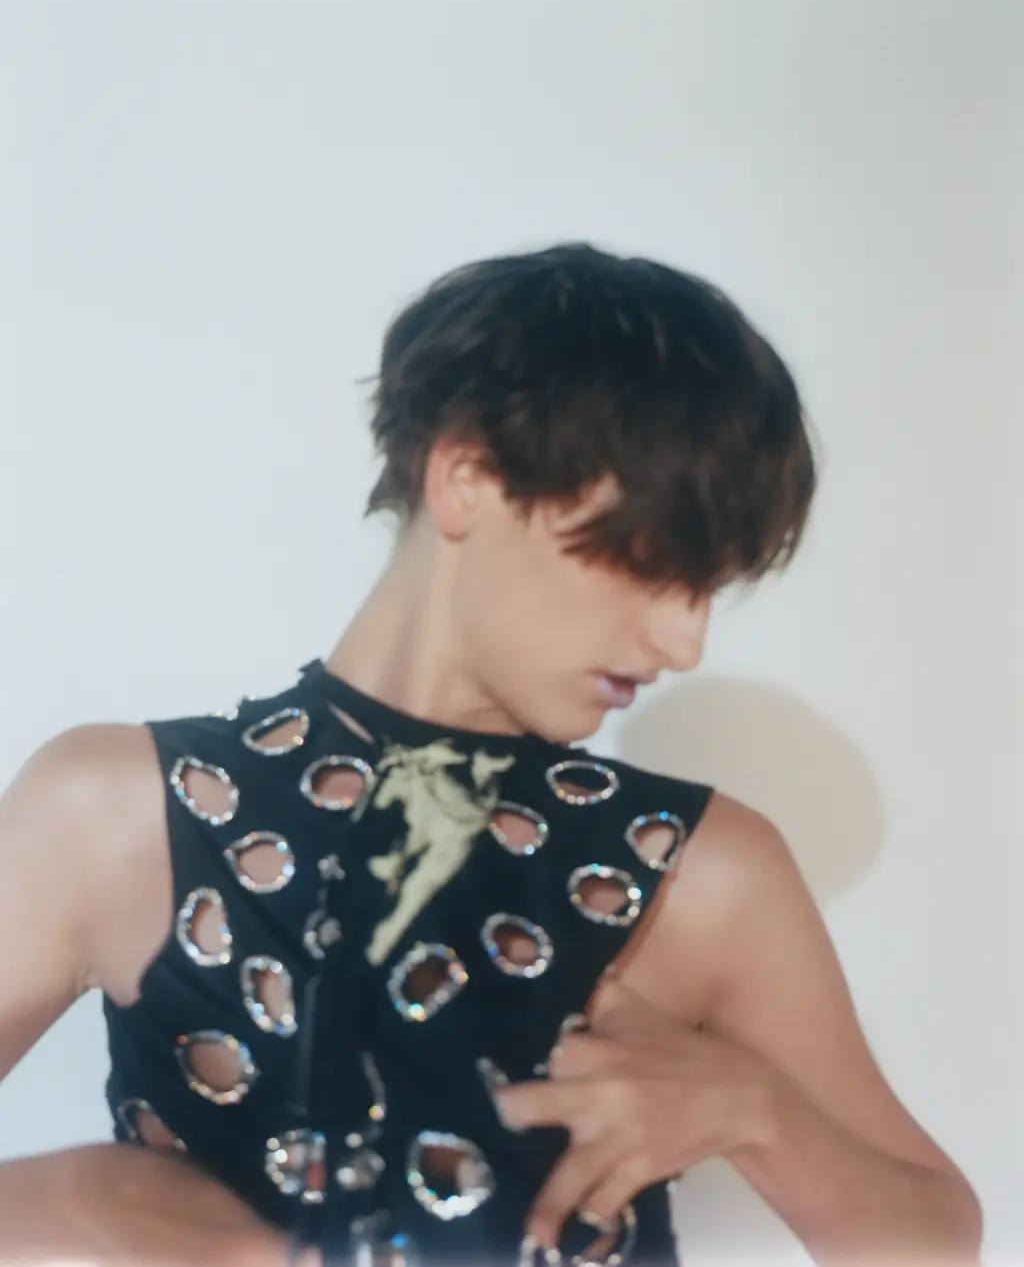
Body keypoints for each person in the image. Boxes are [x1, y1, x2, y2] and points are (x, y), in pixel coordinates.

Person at [0, 244, 981, 1267]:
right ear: (467, 477)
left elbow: (937, 1241)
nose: (685, 642)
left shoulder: (708, 869)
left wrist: (759, 1111)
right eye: (652, 563)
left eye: (707, 588)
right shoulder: (111, 811)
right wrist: (71, 1202)